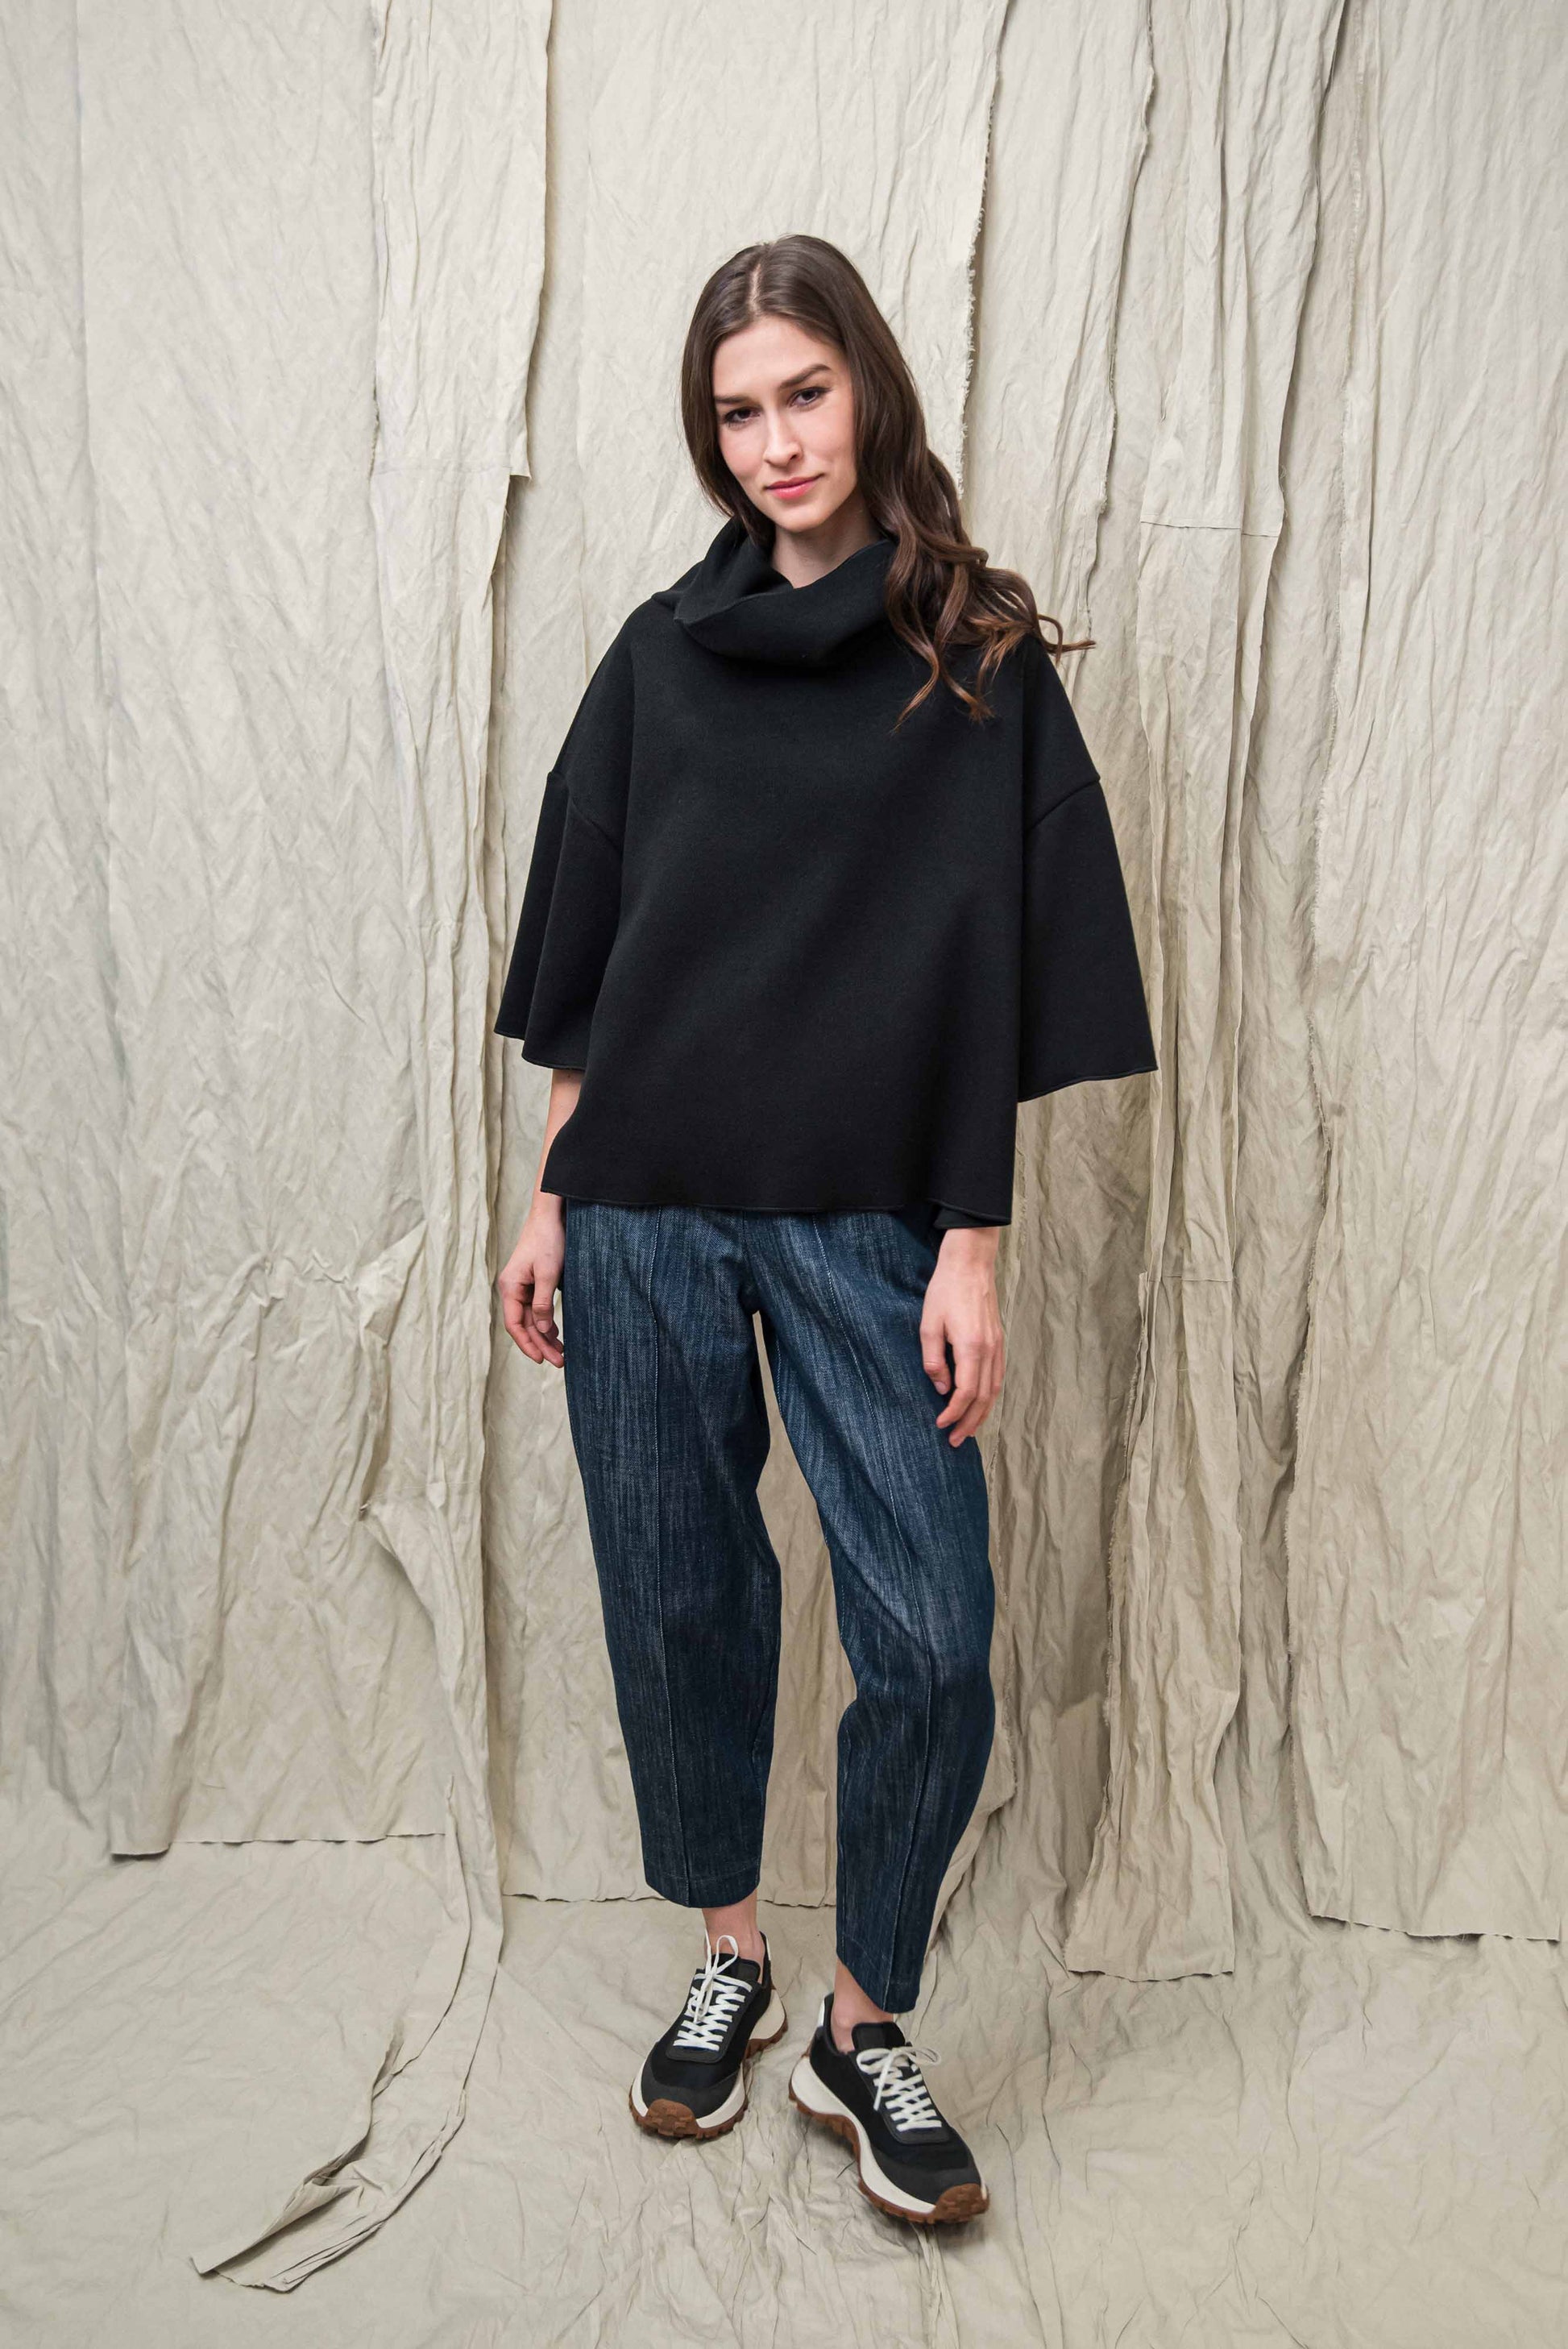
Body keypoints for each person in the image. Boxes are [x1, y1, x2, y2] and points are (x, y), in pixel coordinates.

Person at [495, 233, 1157, 2228]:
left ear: (866, 385)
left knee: (932, 1636)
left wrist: (973, 1245)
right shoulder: (658, 658)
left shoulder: (976, 658)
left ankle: (866, 2028)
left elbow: (997, 969)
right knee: (678, 1597)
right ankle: (733, 1954)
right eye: (736, 411)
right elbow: (591, 945)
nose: (775, 441)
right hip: (646, 1210)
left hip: (871, 1218)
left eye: (803, 392)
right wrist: (550, 1193)